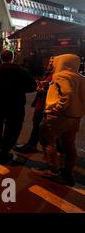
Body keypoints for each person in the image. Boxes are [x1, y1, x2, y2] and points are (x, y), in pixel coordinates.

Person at [32, 54, 85, 186]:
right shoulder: (80, 78)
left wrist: (59, 107)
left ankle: (52, 169)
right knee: (69, 145)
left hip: (59, 116)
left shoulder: (61, 75)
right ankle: (67, 173)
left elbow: (67, 94)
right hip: (74, 117)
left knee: (47, 139)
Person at [0, 50, 37, 164]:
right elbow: (32, 86)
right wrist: (20, 89)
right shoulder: (21, 71)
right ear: (12, 58)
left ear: (0, 58)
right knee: (13, 128)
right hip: (15, 103)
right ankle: (5, 151)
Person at [14, 57, 54, 154]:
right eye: (50, 61)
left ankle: (52, 153)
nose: (49, 63)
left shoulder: (56, 76)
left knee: (42, 129)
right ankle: (32, 145)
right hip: (41, 105)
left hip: (45, 106)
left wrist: (42, 89)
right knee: (37, 126)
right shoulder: (49, 74)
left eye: (52, 62)